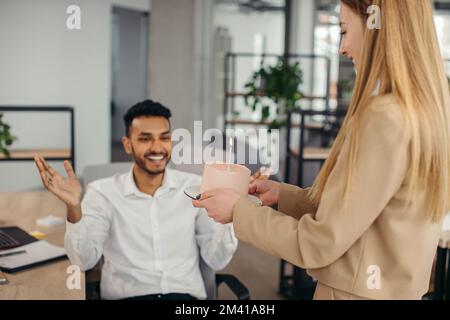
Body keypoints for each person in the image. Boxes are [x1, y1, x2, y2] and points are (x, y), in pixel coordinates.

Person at [193, 0, 450, 300]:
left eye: (344, 30)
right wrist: (282, 196)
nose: (341, 47)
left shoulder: (384, 119)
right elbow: (360, 216)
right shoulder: (433, 110)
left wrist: (238, 211)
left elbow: (318, 244)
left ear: (376, 25)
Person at [34, 100, 238, 300]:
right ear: (128, 144)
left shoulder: (197, 188)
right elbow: (83, 262)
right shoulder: (102, 192)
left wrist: (227, 214)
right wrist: (73, 207)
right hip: (128, 296)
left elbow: (217, 260)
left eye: (164, 138)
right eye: (145, 139)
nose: (157, 147)